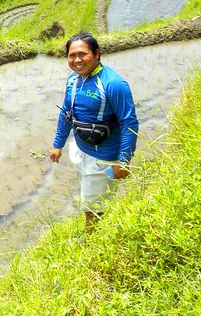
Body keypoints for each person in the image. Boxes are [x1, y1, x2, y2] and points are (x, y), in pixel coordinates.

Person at [49, 33, 139, 230]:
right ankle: (101, 223)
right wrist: (58, 145)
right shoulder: (73, 80)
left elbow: (129, 123)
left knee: (93, 205)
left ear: (97, 54)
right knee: (92, 194)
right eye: (72, 55)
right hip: (81, 150)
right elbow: (66, 113)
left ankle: (91, 237)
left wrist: (122, 161)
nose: (77, 60)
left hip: (104, 158)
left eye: (83, 54)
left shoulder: (113, 84)